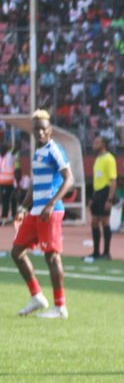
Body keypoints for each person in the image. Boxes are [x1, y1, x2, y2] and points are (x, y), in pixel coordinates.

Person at [10, 110, 75, 319]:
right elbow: (34, 187)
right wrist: (22, 208)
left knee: (52, 256)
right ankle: (37, 296)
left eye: (43, 129)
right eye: (36, 129)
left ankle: (60, 307)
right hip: (36, 211)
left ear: (50, 131)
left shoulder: (54, 149)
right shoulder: (37, 153)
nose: (39, 132)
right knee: (17, 251)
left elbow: (69, 179)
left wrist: (51, 203)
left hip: (50, 212)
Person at [87, 134, 118, 261]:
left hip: (104, 192)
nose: (94, 144)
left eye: (97, 142)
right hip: (97, 192)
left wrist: (110, 199)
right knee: (94, 222)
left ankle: (106, 253)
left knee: (105, 221)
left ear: (103, 144)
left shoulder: (109, 159)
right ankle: (95, 252)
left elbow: (113, 180)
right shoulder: (98, 158)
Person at [0, 140, 16, 222]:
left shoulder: (10, 155)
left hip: (10, 183)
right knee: (5, 199)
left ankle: (6, 216)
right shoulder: (0, 157)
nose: (1, 149)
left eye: (3, 148)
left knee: (11, 199)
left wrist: (11, 146)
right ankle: (5, 216)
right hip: (2, 183)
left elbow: (15, 149)